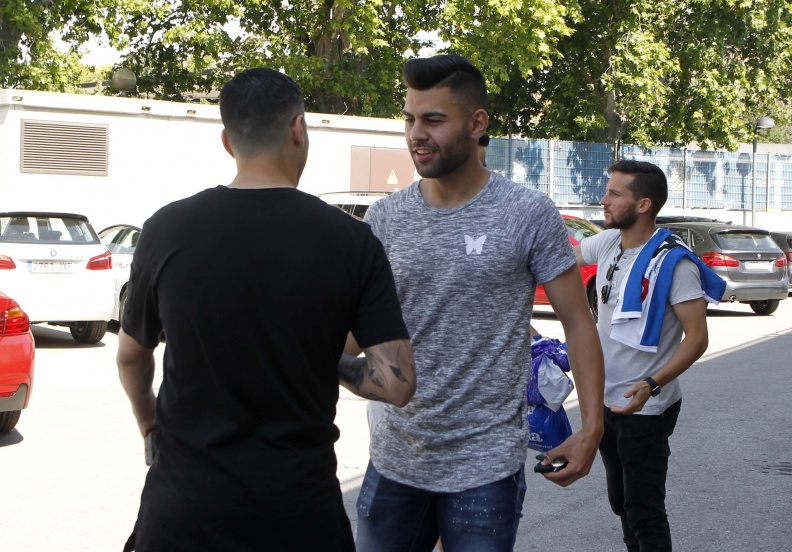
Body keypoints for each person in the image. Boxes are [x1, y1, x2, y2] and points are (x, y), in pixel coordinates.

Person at [116, 67, 416, 552]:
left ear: (227, 141)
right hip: (298, 515)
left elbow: (131, 356)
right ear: (298, 128)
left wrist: (149, 421)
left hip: (184, 512)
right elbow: (396, 383)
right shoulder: (351, 241)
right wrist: (325, 361)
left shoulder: (165, 230)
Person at [352, 54, 605, 552]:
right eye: (409, 119)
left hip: (486, 465)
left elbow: (578, 322)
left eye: (433, 120)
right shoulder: (385, 217)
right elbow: (353, 330)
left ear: (477, 123)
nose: (416, 134)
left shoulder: (526, 212)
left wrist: (592, 426)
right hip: (396, 458)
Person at [574, 160, 724, 551]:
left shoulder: (674, 263)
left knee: (645, 512)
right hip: (606, 400)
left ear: (643, 204)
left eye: (614, 193)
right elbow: (561, 259)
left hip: (646, 407)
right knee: (621, 502)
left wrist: (651, 384)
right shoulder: (608, 243)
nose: (603, 200)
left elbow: (697, 339)